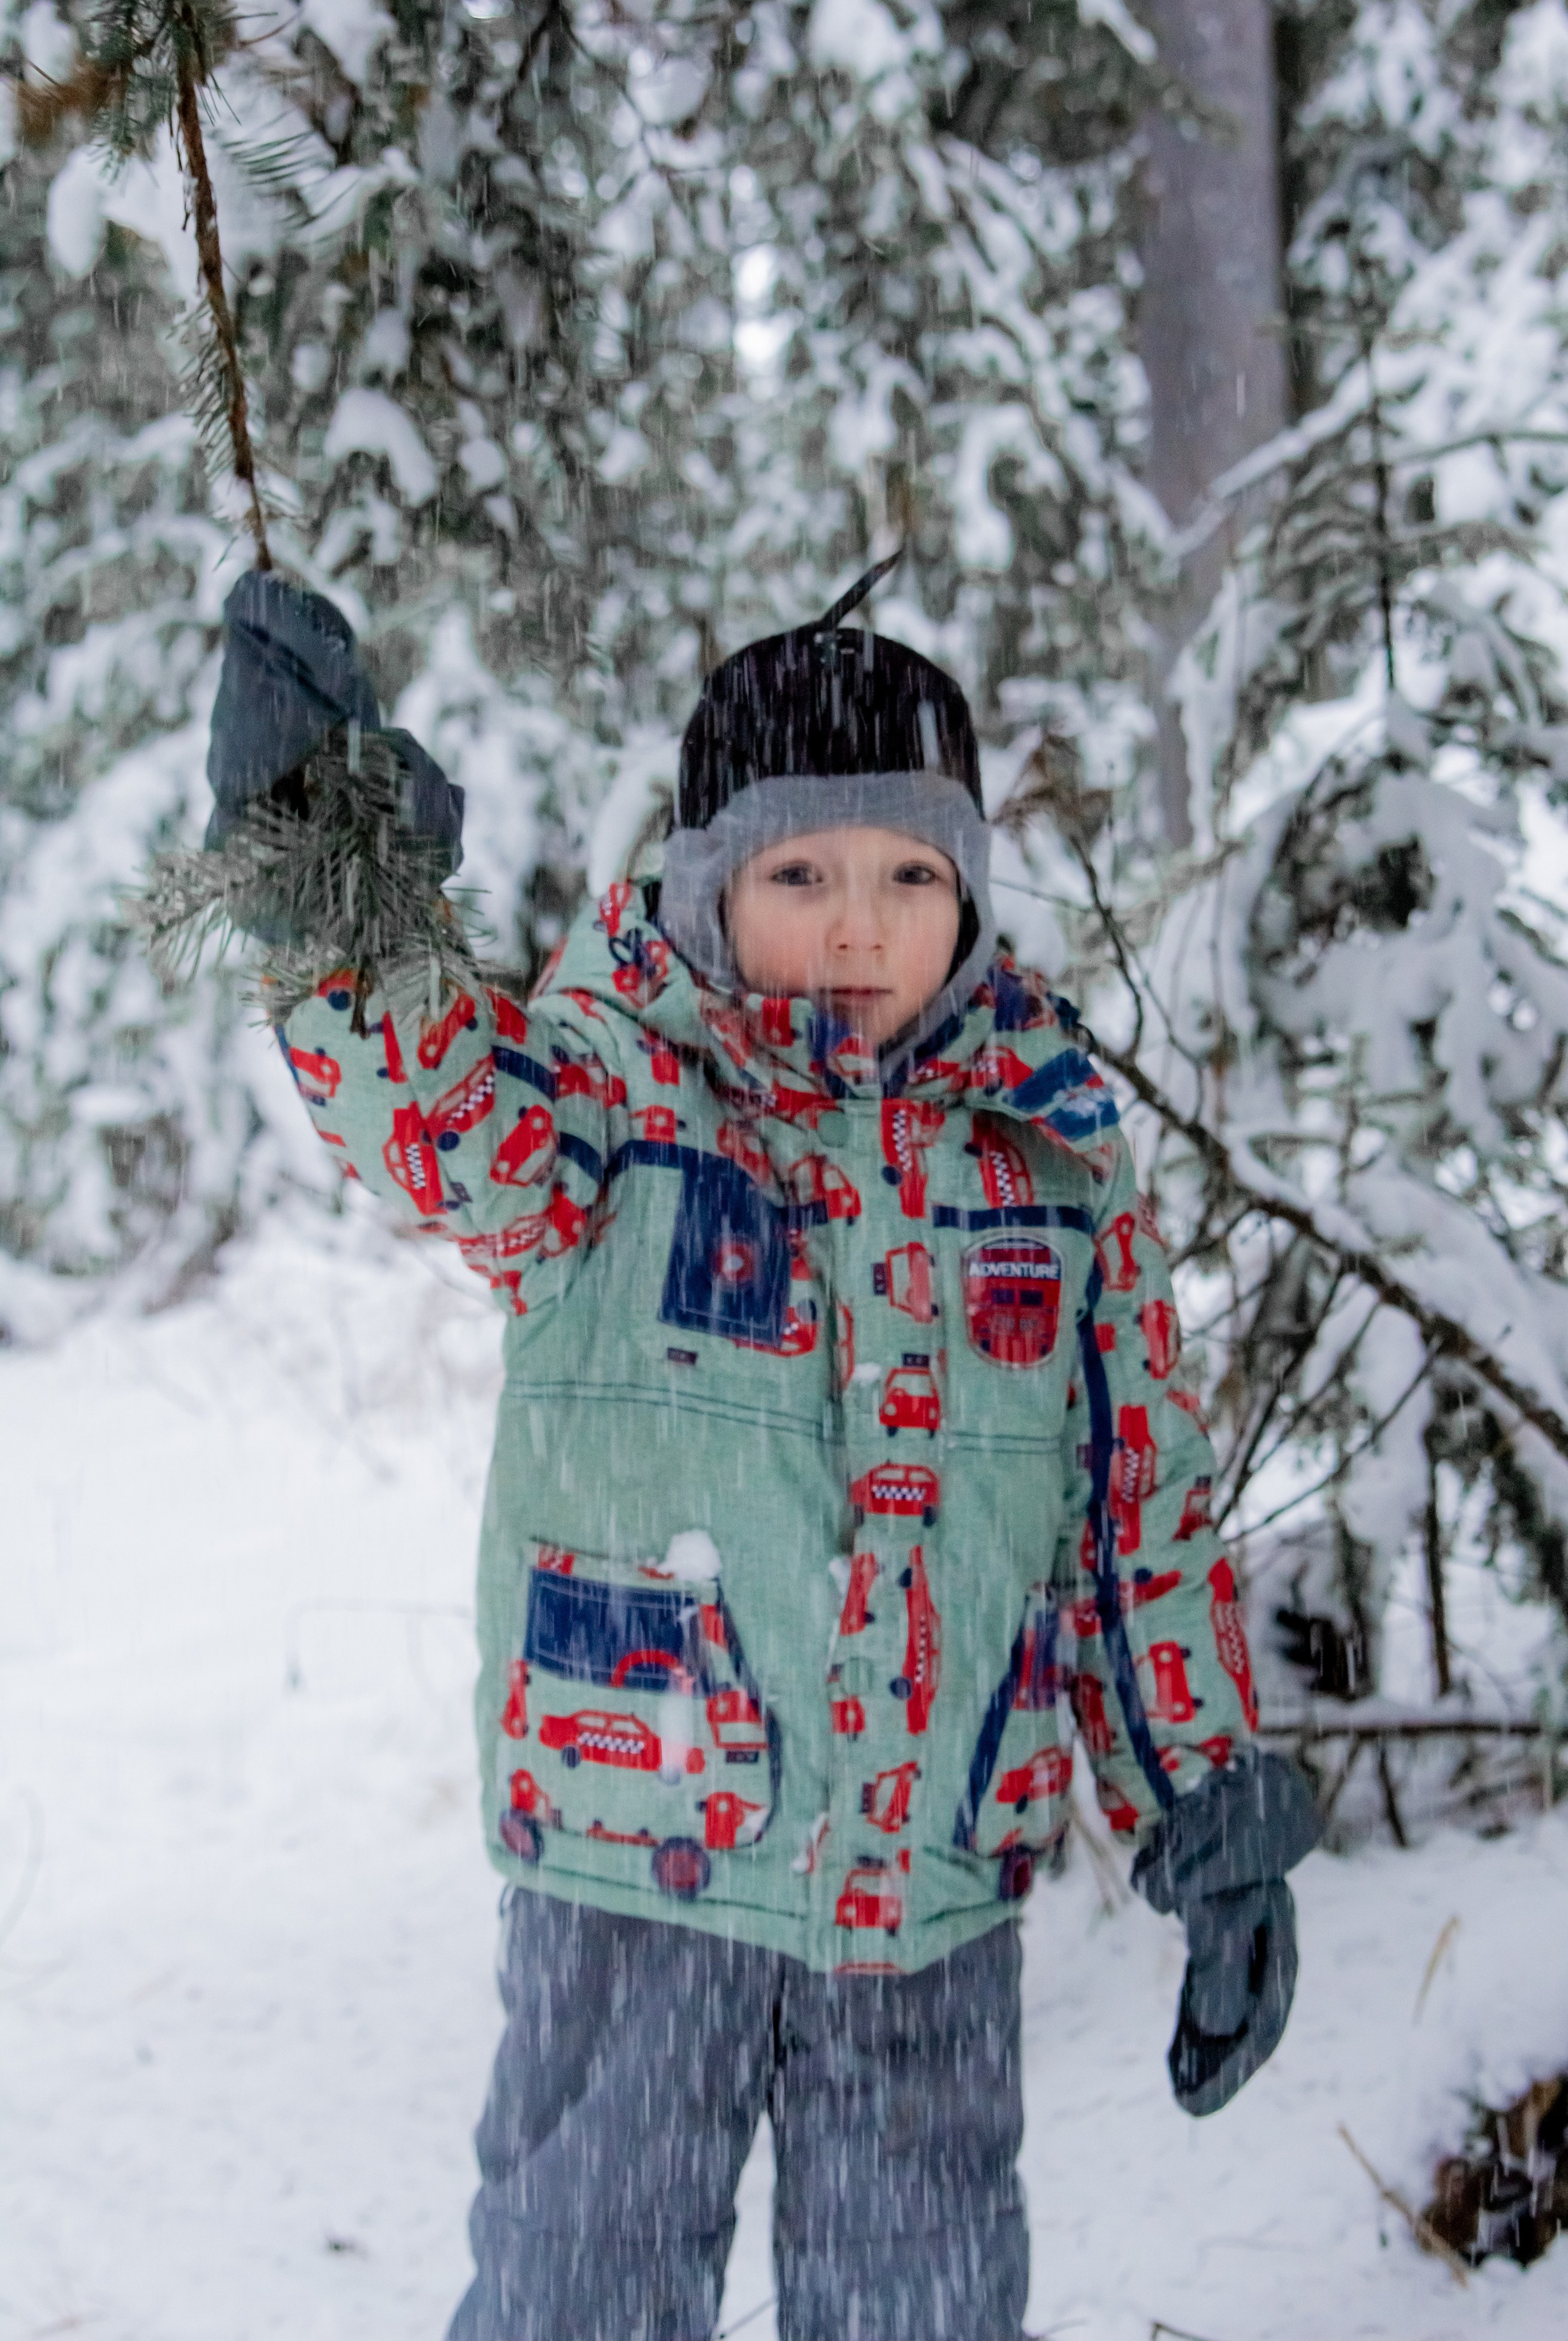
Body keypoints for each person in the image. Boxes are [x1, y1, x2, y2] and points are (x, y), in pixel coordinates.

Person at [203, 559, 1319, 2341]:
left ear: (971, 893)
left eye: (911, 878)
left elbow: (1135, 1522)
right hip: (643, 1832)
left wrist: (1205, 1813)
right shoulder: (609, 1105)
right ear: (708, 884)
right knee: (583, 2280)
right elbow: (434, 1110)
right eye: (801, 876)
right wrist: (327, 872)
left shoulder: (1048, 1159)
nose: (861, 929)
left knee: (922, 2302)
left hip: (926, 1884)